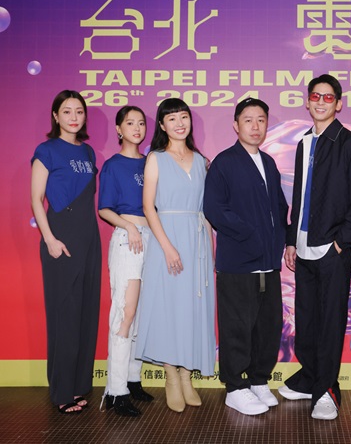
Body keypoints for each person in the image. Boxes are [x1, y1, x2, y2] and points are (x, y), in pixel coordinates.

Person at [278, 74, 351, 420]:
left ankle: (327, 389)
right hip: (303, 245)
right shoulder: (304, 143)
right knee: (306, 318)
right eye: (315, 96)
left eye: (328, 97)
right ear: (307, 102)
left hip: (332, 248)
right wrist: (292, 240)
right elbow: (299, 196)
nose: (321, 102)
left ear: (339, 104)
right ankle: (309, 377)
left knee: (331, 321)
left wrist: (341, 242)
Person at [204, 98, 288, 416]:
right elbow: (215, 209)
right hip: (238, 261)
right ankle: (235, 387)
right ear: (236, 125)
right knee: (237, 325)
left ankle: (257, 379)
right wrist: (251, 235)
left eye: (261, 120)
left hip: (268, 261)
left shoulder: (268, 162)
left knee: (268, 324)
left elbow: (279, 207)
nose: (255, 126)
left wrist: (280, 241)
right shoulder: (225, 162)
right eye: (248, 120)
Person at [135, 98, 216, 413]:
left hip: (197, 242)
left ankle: (186, 375)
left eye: (184, 117)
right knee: (169, 307)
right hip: (166, 239)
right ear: (162, 125)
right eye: (172, 118)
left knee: (193, 308)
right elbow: (148, 207)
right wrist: (168, 248)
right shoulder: (155, 158)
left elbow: (206, 209)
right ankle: (171, 375)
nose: (179, 123)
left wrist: (211, 247)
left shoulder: (201, 160)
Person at [31, 90, 102, 414]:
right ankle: (61, 392)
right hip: (60, 237)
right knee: (65, 315)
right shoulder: (46, 150)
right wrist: (49, 239)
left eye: (79, 111)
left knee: (86, 313)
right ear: (56, 116)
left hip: (89, 238)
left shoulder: (88, 152)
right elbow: (36, 199)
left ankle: (77, 386)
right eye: (67, 111)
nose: (74, 117)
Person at [98, 106, 154, 417]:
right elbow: (104, 208)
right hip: (127, 240)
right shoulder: (113, 166)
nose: (136, 128)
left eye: (141, 123)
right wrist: (129, 226)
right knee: (125, 312)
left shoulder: (151, 162)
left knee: (141, 315)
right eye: (129, 123)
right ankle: (116, 391)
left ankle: (132, 380)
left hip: (151, 241)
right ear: (119, 129)